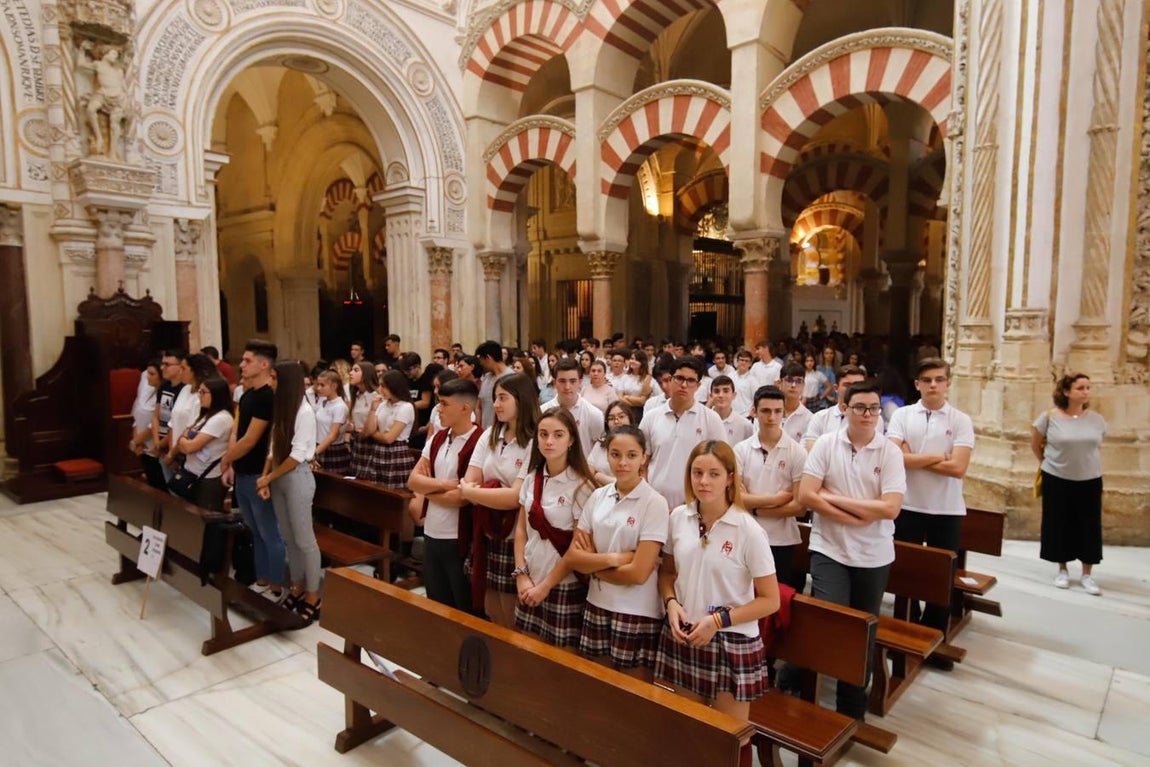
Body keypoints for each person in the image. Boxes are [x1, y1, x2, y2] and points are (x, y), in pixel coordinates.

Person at [796, 379, 906, 720]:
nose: (868, 414)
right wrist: (858, 512)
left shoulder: (889, 452)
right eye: (860, 407)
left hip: (873, 553)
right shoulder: (827, 445)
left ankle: (851, 706)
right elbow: (806, 496)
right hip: (829, 548)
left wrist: (832, 499)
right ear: (844, 408)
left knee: (863, 630)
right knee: (831, 621)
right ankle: (802, 685)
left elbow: (890, 508)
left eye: (874, 408)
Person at [655, 441, 780, 720]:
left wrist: (717, 621)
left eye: (714, 474)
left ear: (730, 478)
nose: (704, 481)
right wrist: (671, 603)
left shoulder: (749, 531)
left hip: (731, 638)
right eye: (697, 473)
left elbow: (771, 601)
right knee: (689, 727)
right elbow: (667, 573)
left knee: (727, 736)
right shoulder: (678, 517)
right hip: (688, 631)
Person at [888, 358, 975, 665]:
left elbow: (959, 468)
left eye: (939, 379)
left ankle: (935, 640)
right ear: (917, 384)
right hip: (909, 504)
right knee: (907, 573)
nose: (933, 385)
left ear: (948, 383)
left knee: (941, 578)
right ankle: (906, 635)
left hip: (946, 509)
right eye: (927, 380)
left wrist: (917, 457)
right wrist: (939, 457)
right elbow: (895, 457)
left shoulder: (960, 420)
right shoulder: (903, 415)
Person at [567, 426, 669, 678]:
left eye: (632, 455)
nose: (623, 462)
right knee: (598, 685)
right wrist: (614, 559)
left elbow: (638, 574)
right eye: (615, 454)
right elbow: (574, 557)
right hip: (597, 602)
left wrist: (594, 567)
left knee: (633, 694)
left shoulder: (655, 503)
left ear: (644, 457)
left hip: (636, 609)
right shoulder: (598, 496)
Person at [459, 373, 540, 628]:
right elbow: (469, 478)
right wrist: (477, 492)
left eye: (503, 398)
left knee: (512, 609)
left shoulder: (535, 440)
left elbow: (515, 497)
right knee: (490, 605)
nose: (496, 405)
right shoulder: (491, 434)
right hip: (487, 529)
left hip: (515, 534)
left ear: (521, 400)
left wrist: (474, 494)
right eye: (495, 398)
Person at [513, 409, 597, 647]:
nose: (549, 441)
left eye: (558, 435)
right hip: (530, 579)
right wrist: (521, 575)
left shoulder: (581, 485)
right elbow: (521, 531)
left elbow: (576, 547)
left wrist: (545, 586)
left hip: (562, 584)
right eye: (543, 434)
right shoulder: (531, 478)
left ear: (571, 440)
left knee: (560, 661)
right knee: (525, 649)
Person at [407, 378, 482, 610]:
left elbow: (462, 498)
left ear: (464, 408)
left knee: (462, 605)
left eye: (444, 403)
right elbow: (412, 480)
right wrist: (444, 484)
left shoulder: (480, 440)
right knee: (436, 603)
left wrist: (428, 489)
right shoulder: (438, 437)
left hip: (458, 536)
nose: (438, 408)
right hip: (432, 532)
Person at [1030, 373, 1107, 595]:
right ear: (1066, 392)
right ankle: (1062, 569)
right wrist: (1047, 463)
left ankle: (1087, 574)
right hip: (1057, 477)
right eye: (1080, 388)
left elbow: (1096, 445)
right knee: (1058, 523)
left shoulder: (1096, 419)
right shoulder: (1049, 418)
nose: (1086, 392)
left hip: (1090, 478)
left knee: (1089, 525)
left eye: (1088, 388)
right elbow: (1035, 444)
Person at [257, 361, 321, 623]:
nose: (270, 382)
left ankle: (314, 594)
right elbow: (273, 448)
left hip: (296, 478)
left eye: (274, 378)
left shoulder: (305, 411)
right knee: (289, 537)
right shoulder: (282, 408)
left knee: (305, 540)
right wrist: (265, 477)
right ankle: (296, 584)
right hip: (279, 478)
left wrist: (269, 477)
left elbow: (296, 455)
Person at [221, 339, 285, 599]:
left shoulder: (266, 397)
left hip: (260, 473)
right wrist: (232, 463)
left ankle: (278, 586)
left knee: (269, 532)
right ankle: (261, 579)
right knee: (254, 529)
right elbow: (238, 430)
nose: (241, 365)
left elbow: (251, 439)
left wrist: (225, 459)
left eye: (247, 361)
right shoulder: (247, 395)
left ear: (264, 364)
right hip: (243, 471)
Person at [735, 385, 807, 591]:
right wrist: (776, 499)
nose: (772, 417)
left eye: (777, 411)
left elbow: (799, 506)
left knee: (777, 603)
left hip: (782, 540)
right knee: (744, 595)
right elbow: (736, 497)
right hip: (745, 535)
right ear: (754, 412)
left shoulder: (797, 452)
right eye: (765, 411)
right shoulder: (740, 450)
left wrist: (757, 508)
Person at [639, 357, 726, 510]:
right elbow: (642, 463)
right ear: (670, 379)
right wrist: (648, 495)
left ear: (698, 385)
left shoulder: (711, 419)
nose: (684, 385)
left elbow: (721, 464)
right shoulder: (651, 417)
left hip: (694, 506)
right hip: (653, 505)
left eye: (691, 380)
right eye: (679, 378)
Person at [171, 376, 233, 511]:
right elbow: (184, 435)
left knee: (206, 518)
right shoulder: (205, 415)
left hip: (209, 477)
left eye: (203, 392)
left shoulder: (221, 418)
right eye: (199, 391)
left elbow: (190, 446)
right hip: (192, 472)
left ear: (216, 394)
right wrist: (184, 440)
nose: (199, 396)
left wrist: (184, 441)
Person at [361, 370, 417, 487]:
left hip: (396, 452)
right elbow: (367, 431)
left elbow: (389, 438)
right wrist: (372, 409)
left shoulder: (406, 407)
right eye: (380, 385)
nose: (380, 390)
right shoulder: (382, 404)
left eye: (384, 386)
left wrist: (374, 433)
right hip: (379, 451)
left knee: (394, 490)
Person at [541, 358, 605, 457]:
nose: (567, 387)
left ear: (580, 382)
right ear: (554, 382)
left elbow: (598, 451)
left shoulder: (594, 414)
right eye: (562, 381)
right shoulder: (543, 411)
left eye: (572, 381)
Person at [803, 365, 867, 450]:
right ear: (836, 388)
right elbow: (811, 452)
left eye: (858, 385)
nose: (853, 389)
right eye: (847, 385)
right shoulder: (819, 418)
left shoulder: (873, 418)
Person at [130, 360, 165, 490]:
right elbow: (137, 415)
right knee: (152, 484)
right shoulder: (147, 391)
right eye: (147, 374)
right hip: (143, 447)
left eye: (152, 374)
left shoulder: (163, 394)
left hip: (155, 446)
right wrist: (137, 441)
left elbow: (156, 423)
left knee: (160, 485)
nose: (148, 377)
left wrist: (135, 441)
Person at [312, 370, 351, 475]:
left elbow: (333, 435)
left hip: (332, 450)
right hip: (319, 446)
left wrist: (315, 452)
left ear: (334, 386)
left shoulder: (339, 407)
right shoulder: (323, 402)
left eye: (322, 385)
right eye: (318, 385)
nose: (318, 388)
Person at [586, 401, 635, 485]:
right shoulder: (601, 443)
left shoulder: (637, 444)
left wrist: (599, 476)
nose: (616, 421)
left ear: (630, 419)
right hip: (598, 492)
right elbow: (589, 471)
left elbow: (628, 482)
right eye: (611, 418)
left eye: (621, 416)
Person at [475, 340, 513, 429]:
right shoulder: (486, 378)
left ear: (488, 358)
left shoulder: (511, 377)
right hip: (485, 432)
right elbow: (479, 406)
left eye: (481, 360)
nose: (481, 364)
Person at [709, 374, 754, 446]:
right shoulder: (702, 420)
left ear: (734, 395)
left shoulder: (745, 425)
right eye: (716, 391)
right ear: (711, 396)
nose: (721, 395)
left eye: (726, 391)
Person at [778, 362, 814, 444]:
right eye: (789, 380)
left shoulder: (810, 418)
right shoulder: (767, 411)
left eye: (798, 381)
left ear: (804, 385)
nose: (793, 385)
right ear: (780, 383)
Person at [730, 350, 757, 418]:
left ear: (750, 363)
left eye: (746, 361)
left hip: (746, 415)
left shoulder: (753, 380)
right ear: (737, 361)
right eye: (741, 360)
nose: (743, 363)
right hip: (731, 414)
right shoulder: (730, 376)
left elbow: (757, 398)